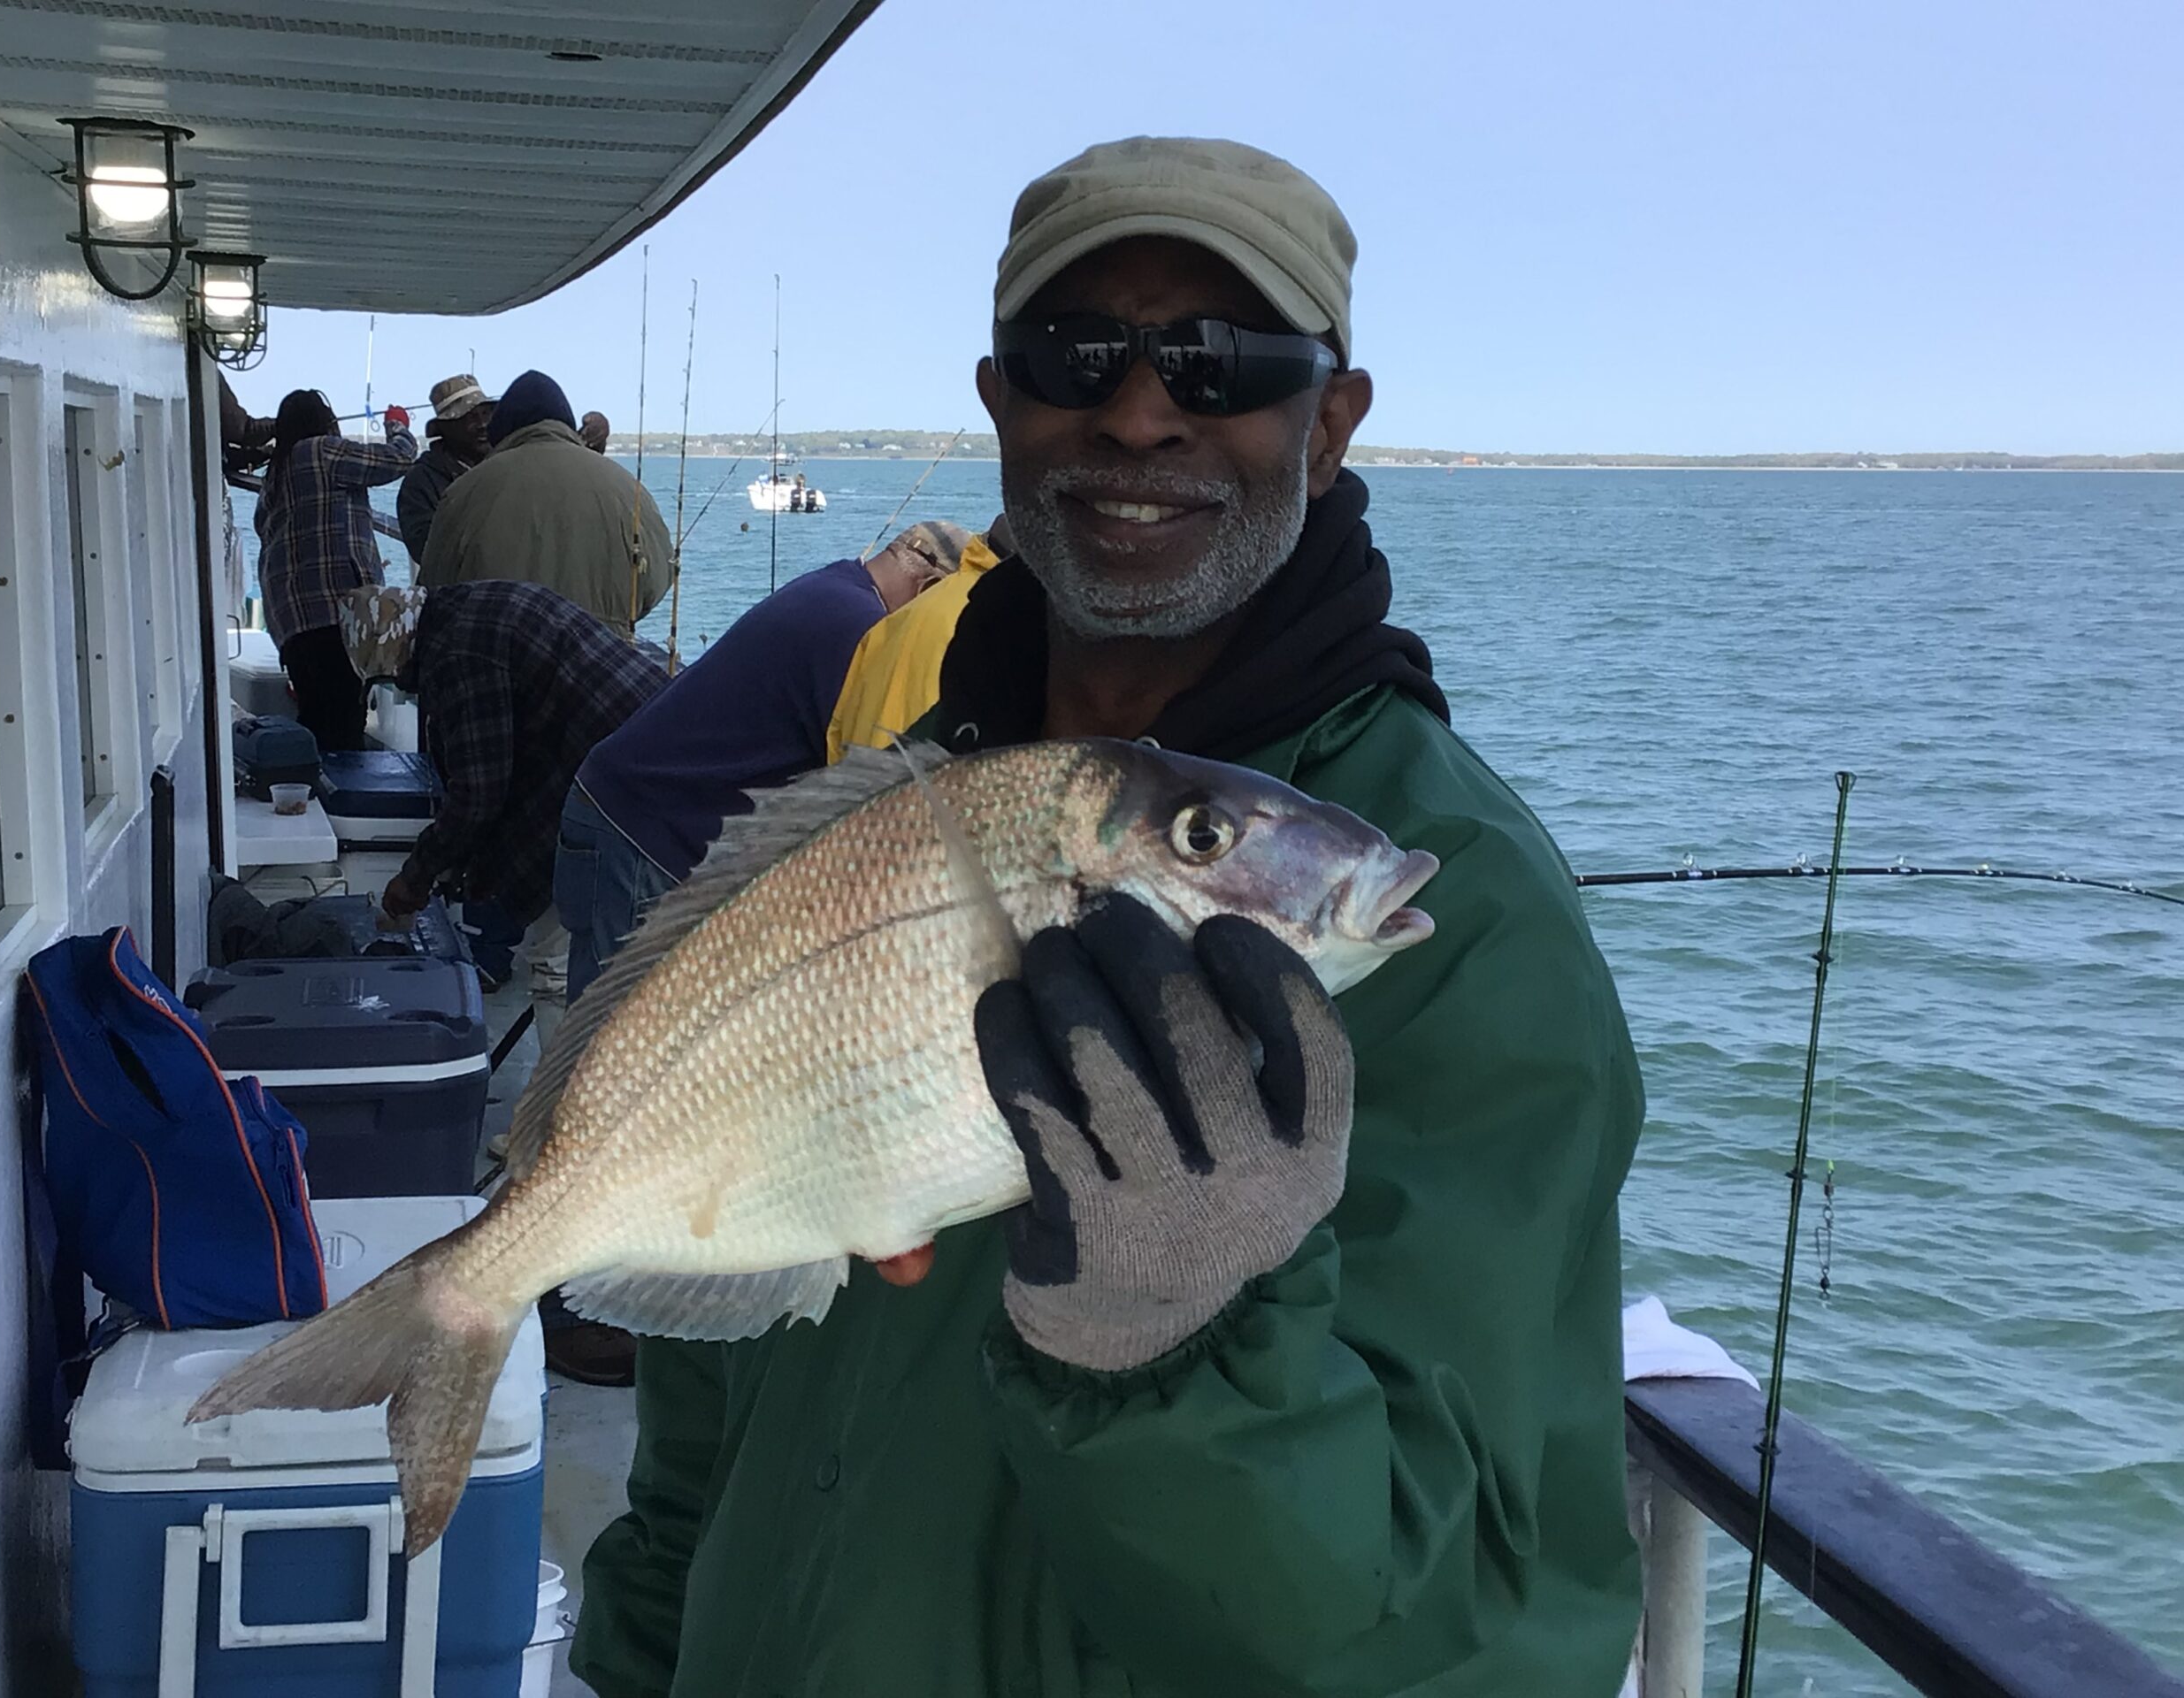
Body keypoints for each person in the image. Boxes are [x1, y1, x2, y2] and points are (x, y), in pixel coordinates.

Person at [572, 137, 1644, 1698]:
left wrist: (1171, 1347)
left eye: (1224, 363)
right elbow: (715, 1406)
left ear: (1330, 421)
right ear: (1003, 403)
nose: (1142, 413)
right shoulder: (904, 808)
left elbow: (1468, 1635)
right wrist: (645, 1649)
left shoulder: (1465, 914)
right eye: (1079, 355)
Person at [539, 523, 967, 1389]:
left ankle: (573, 1278)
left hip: (616, 806)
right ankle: (566, 1305)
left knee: (600, 1064)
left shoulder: (828, 589)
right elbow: (854, 795)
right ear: (925, 575)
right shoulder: (854, 631)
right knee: (621, 1086)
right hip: (651, 839)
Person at [339, 582, 668, 1026]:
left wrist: (415, 876)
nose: (400, 687)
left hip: (627, 790)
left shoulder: (458, 658)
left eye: (388, 676)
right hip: (648, 743)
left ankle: (571, 1094)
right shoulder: (470, 606)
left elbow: (478, 795)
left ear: (396, 654)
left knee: (558, 965)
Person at [418, 371, 673, 636]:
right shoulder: (627, 488)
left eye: (484, 416)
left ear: (501, 426)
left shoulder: (464, 492)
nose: (480, 425)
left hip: (493, 660)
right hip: (599, 664)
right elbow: (657, 579)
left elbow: (436, 586)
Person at [253, 390, 414, 751]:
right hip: (333, 615)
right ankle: (334, 798)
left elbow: (264, 528)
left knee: (315, 718)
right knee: (344, 723)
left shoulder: (275, 475)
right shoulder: (322, 451)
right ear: (324, 421)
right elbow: (398, 460)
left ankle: (306, 794)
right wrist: (398, 425)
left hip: (292, 620)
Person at [822, 512, 1013, 760]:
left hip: (856, 788)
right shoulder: (984, 623)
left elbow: (836, 735)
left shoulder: (892, 621)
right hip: (910, 789)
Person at [397, 373, 495, 563]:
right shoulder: (420, 481)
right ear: (447, 428)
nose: (483, 425)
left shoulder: (505, 464)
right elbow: (425, 549)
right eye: (470, 418)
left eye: (486, 414)